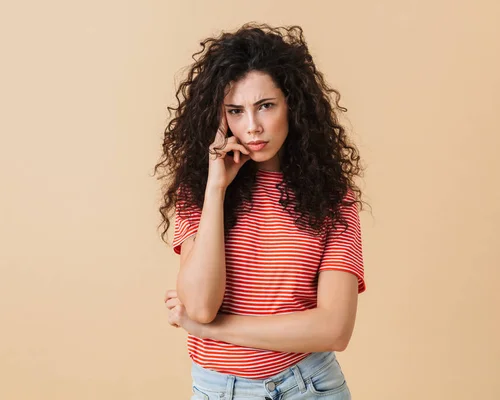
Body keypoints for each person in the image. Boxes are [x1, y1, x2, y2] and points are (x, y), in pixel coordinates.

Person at [154, 22, 367, 400]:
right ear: (219, 118)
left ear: (293, 105)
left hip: (310, 386)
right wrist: (217, 188)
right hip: (219, 390)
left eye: (265, 106)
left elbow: (334, 329)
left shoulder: (333, 197)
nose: (252, 127)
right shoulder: (200, 191)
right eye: (236, 111)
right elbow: (201, 306)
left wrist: (212, 330)